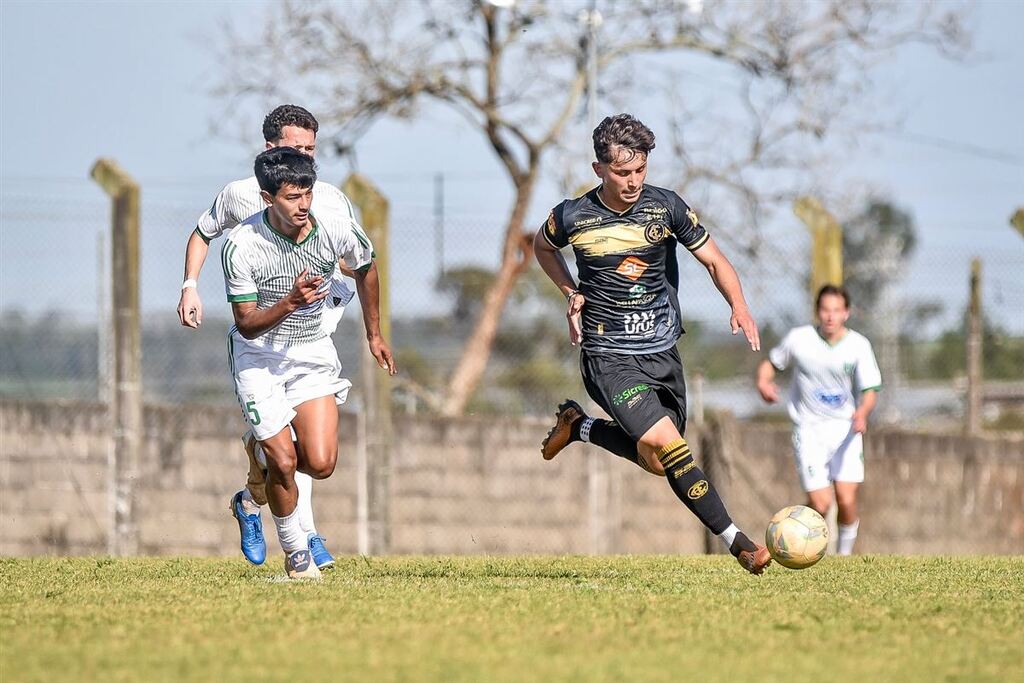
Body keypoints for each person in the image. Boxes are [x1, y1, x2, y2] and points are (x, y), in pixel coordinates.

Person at [534, 113, 771, 575]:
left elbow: (714, 260)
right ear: (599, 168)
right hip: (608, 356)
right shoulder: (572, 216)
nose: (633, 181)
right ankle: (740, 543)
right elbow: (542, 248)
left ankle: (579, 427)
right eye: (623, 172)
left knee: (659, 461)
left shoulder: (666, 208)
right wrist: (570, 291)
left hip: (662, 352)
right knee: (668, 443)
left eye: (641, 170)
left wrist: (739, 305)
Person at [176, 105, 358, 569]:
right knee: (284, 448)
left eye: (311, 149)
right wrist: (190, 286)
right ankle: (305, 537)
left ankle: (253, 499)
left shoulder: (329, 199)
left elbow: (351, 257)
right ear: (270, 147)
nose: (305, 157)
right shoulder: (240, 195)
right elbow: (202, 234)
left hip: (314, 331)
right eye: (296, 147)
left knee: (308, 450)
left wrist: (339, 285)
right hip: (264, 338)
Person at [223, 146, 395, 578]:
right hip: (259, 357)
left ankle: (258, 460)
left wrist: (374, 334)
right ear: (268, 198)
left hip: (311, 352)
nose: (303, 205)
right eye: (291, 197)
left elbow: (366, 268)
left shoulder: (335, 227)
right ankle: (296, 553)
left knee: (320, 464)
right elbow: (246, 325)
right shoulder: (242, 245)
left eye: (307, 193)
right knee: (284, 462)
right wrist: (290, 302)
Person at [756, 284, 881, 556]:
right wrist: (764, 382)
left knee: (846, 500)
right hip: (809, 429)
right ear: (817, 312)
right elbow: (771, 363)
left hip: (846, 430)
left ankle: (843, 556)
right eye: (825, 310)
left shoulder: (859, 345)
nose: (830, 316)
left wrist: (862, 413)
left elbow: (870, 390)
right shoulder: (799, 339)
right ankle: (794, 543)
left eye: (836, 310)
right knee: (821, 504)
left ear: (846, 313)